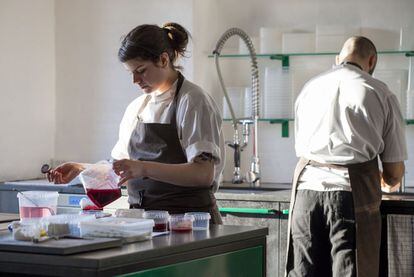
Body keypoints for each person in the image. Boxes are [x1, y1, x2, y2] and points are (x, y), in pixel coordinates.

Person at [47, 22, 225, 224]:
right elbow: (122, 168)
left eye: (141, 70)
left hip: (191, 222)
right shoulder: (137, 108)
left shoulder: (193, 101)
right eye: (131, 72)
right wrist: (81, 169)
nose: (135, 80)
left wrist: (144, 168)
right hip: (145, 222)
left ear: (164, 59)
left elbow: (202, 174)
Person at [285, 36, 407, 277]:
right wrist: (387, 179)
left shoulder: (310, 88)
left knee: (303, 272)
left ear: (337, 59)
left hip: (304, 196)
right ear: (371, 61)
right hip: (350, 198)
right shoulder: (380, 93)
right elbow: (393, 172)